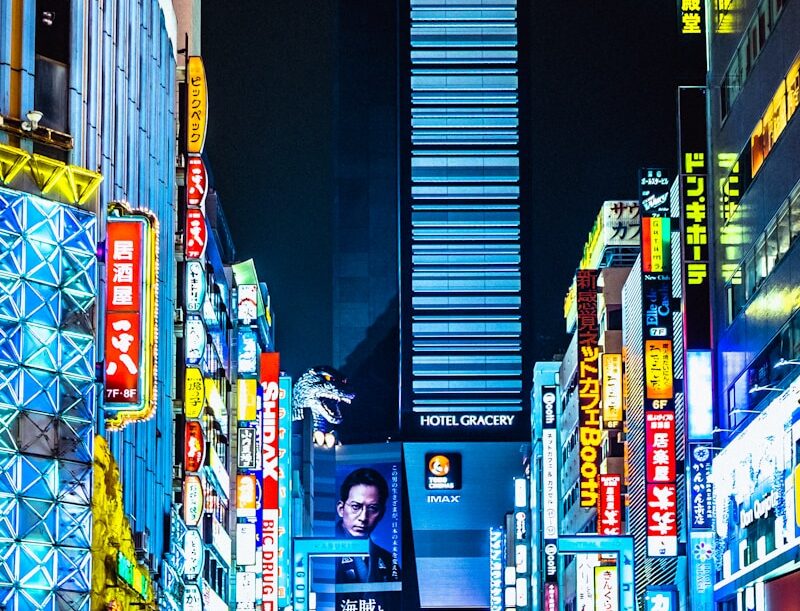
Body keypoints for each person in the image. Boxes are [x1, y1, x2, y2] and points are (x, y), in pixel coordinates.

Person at [335, 467, 400, 583]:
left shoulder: (388, 560)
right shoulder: (323, 552)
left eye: (372, 508)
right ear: (341, 509)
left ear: (381, 513)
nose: (363, 517)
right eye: (356, 507)